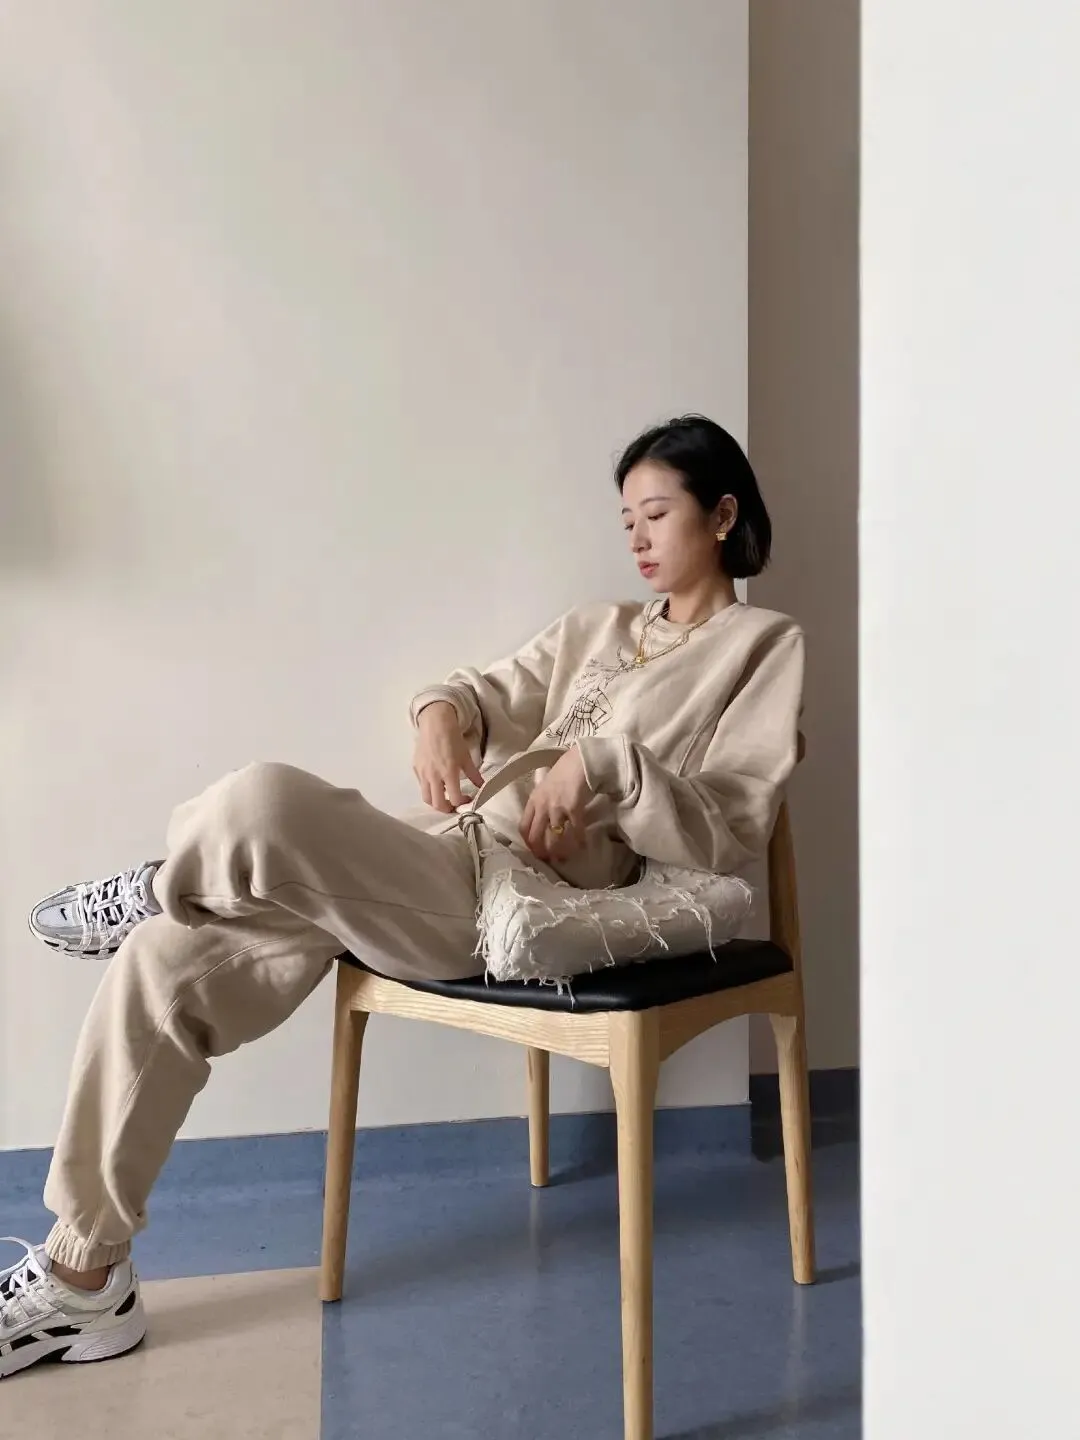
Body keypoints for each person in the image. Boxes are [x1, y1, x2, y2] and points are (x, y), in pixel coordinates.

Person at [0, 415, 804, 1377]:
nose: (635, 536)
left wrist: (606, 765)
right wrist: (438, 716)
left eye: (656, 513)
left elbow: (733, 829)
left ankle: (164, 882)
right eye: (625, 517)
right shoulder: (597, 628)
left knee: (266, 800)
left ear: (723, 515)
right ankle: (84, 1277)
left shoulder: (762, 645)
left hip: (523, 901)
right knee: (159, 963)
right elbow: (478, 689)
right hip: (444, 858)